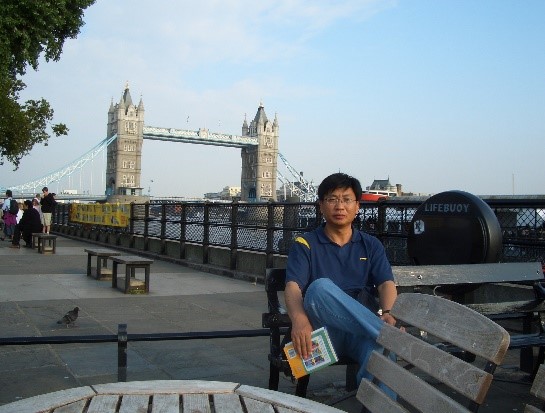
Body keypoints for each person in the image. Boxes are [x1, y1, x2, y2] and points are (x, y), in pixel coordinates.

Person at [284, 172, 398, 390]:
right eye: (332, 199)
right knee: (319, 288)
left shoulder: (371, 245)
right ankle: (389, 336)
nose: (339, 206)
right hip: (324, 332)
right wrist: (299, 320)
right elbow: (292, 286)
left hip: (361, 333)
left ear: (357, 206)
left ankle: (380, 402)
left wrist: (389, 312)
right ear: (321, 206)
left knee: (382, 357)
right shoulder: (305, 244)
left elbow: (386, 283)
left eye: (346, 200)